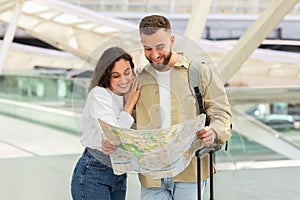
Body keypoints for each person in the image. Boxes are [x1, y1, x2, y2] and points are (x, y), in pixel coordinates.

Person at [135, 15, 232, 200]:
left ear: (172, 41)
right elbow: (132, 121)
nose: (154, 54)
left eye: (160, 47)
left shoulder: (199, 72)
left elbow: (222, 113)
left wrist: (214, 131)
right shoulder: (140, 78)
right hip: (152, 175)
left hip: (190, 171)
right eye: (147, 48)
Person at [71, 46, 141, 200]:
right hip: (94, 172)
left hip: (119, 173)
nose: (123, 80)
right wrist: (129, 104)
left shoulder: (127, 91)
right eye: (116, 76)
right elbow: (113, 135)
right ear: (106, 75)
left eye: (127, 72)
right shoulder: (99, 94)